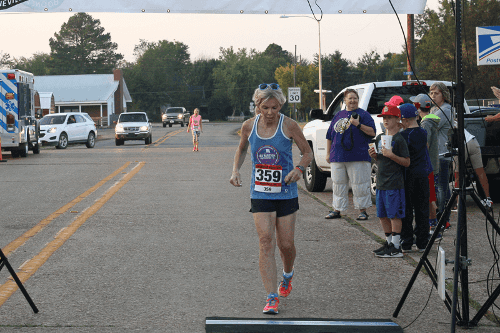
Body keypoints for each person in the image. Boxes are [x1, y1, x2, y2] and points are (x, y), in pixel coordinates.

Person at [229, 83, 313, 314]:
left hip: (285, 191)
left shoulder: (289, 125)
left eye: (274, 107)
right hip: (260, 191)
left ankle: (287, 275)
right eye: (265, 107)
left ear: (280, 106)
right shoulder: (248, 126)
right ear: (257, 105)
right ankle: (271, 296)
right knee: (266, 241)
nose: (269, 112)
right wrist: (236, 169)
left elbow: (307, 152)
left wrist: (299, 169)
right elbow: (242, 149)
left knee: (286, 245)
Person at [324, 89, 376, 221]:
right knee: (338, 184)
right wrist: (328, 153)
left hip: (358, 156)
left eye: (355, 98)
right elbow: (330, 135)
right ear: (344, 101)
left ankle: (362, 211)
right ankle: (337, 209)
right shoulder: (338, 115)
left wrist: (358, 124)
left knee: (360, 184)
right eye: (350, 98)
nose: (353, 101)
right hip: (338, 156)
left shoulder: (364, 115)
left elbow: (372, 132)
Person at [368, 105, 410, 258]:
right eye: (384, 118)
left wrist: (391, 155)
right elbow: (381, 160)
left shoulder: (399, 139)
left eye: (389, 117)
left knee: (394, 215)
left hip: (394, 183)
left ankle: (397, 247)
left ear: (398, 119)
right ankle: (389, 242)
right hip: (381, 182)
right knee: (382, 214)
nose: (386, 120)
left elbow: (407, 162)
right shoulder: (380, 137)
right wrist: (374, 155)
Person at [399, 103, 430, 253]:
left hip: (408, 174)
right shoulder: (423, 132)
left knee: (407, 208)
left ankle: (407, 241)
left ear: (404, 119)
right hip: (422, 173)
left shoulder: (403, 135)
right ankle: (422, 242)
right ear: (416, 116)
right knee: (422, 208)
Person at [410, 93, 441, 237]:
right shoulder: (431, 120)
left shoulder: (426, 123)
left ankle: (433, 227)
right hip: (432, 164)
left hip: (427, 166)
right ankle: (433, 225)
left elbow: (425, 145)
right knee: (430, 196)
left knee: (429, 198)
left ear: (417, 107)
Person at [429, 82, 454, 232]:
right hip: (435, 153)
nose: (433, 96)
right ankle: (443, 216)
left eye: (436, 93)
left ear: (443, 95)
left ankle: (444, 218)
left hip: (442, 154)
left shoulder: (445, 110)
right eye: (431, 93)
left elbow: (428, 124)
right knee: (441, 187)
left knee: (442, 188)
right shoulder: (434, 109)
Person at [453, 129, 492, 207]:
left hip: (461, 145)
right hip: (473, 141)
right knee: (480, 171)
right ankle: (488, 199)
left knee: (458, 175)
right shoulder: (455, 120)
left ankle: (458, 204)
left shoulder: (440, 121)